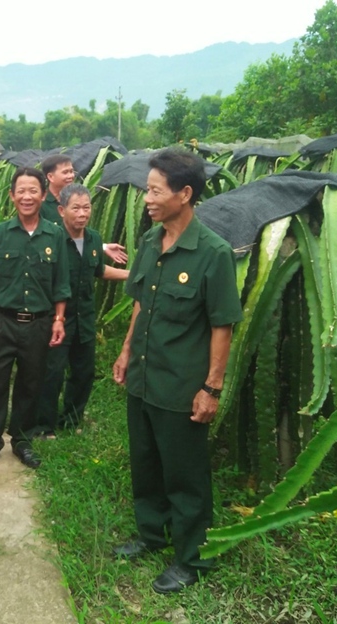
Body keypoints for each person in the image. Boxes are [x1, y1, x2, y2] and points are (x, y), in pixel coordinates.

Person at [111, 148, 243, 594]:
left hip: (181, 385)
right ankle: (152, 534)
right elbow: (141, 303)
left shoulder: (213, 253)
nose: (146, 198)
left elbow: (222, 324)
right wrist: (127, 351)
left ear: (184, 194)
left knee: (185, 476)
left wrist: (211, 387)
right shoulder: (151, 241)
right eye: (147, 189)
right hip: (144, 378)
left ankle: (191, 558)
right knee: (146, 464)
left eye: (154, 190)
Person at [0, 167, 71, 472]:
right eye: (21, 191)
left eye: (33, 191)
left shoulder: (55, 234)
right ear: (12, 196)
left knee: (31, 383)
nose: (27, 197)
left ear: (43, 194)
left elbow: (60, 283)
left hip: (38, 324)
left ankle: (22, 440)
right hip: (2, 321)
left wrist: (58, 319)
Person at [34, 184, 128, 437]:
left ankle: (72, 420)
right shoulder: (51, 239)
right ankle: (45, 425)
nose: (82, 213)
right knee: (52, 372)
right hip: (58, 319)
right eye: (76, 208)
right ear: (62, 210)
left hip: (84, 317)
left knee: (83, 371)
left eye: (86, 207)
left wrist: (132, 275)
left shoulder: (95, 239)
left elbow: (99, 271)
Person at [40, 154, 129, 265]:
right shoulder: (41, 206)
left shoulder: (79, 200)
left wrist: (102, 247)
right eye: (65, 172)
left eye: (71, 171)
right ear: (50, 177)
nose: (70, 176)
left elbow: (79, 236)